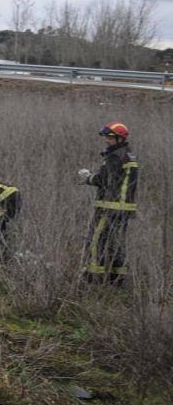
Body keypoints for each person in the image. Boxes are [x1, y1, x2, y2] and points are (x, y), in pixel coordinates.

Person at [78, 122, 138, 284]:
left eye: (110, 137)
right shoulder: (128, 154)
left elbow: (105, 179)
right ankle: (116, 279)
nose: (107, 140)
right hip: (124, 209)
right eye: (106, 137)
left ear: (120, 138)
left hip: (110, 207)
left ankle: (93, 277)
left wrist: (88, 177)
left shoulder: (115, 155)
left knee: (96, 240)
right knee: (116, 243)